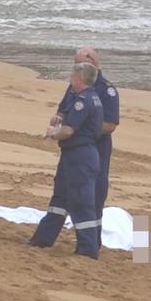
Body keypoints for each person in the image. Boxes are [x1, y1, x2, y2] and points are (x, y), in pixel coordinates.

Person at [30, 62, 104, 259]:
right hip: (75, 154)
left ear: (79, 78)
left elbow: (69, 130)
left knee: (81, 201)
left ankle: (88, 249)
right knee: (60, 198)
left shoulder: (83, 100)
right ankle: (43, 238)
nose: (70, 80)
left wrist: (54, 133)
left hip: (80, 155)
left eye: (72, 76)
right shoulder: (89, 97)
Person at [49, 47, 119, 248]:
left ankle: (91, 244)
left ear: (93, 63)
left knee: (92, 197)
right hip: (74, 148)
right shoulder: (75, 88)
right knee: (61, 191)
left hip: (94, 147)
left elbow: (110, 125)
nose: (77, 68)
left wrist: (78, 128)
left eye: (81, 64)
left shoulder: (106, 90)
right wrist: (60, 118)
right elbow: (64, 111)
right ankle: (45, 238)